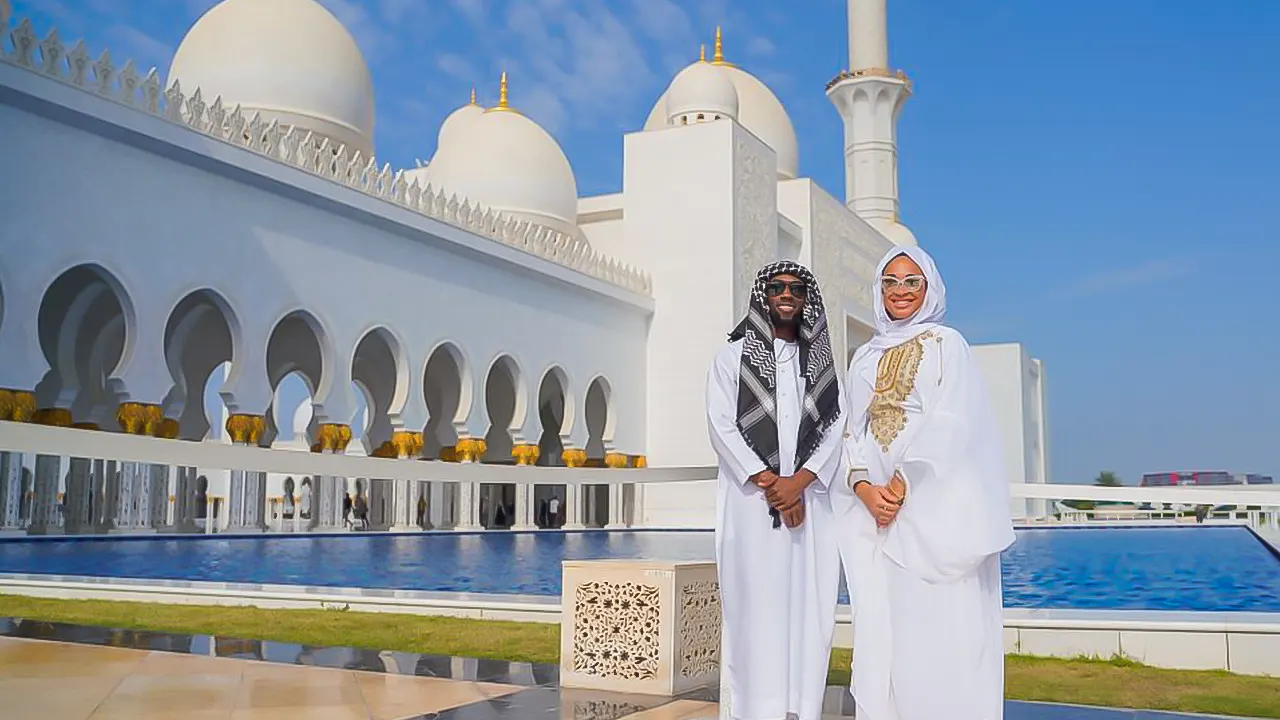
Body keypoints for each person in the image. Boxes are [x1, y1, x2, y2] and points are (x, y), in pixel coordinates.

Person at [833, 246, 1016, 720]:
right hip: (878, 517)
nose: (900, 291)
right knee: (889, 631)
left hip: (932, 511)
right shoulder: (863, 357)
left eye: (911, 281)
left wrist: (902, 483)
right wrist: (864, 489)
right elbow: (851, 430)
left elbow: (953, 421)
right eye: (890, 281)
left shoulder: (946, 344)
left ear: (929, 287)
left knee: (943, 630)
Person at [706, 261, 845, 720]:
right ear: (764, 295)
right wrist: (770, 484)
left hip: (808, 506)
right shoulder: (732, 359)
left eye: (797, 288)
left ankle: (803, 708)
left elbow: (835, 426)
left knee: (809, 606)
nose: (787, 294)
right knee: (754, 608)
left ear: (807, 300)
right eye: (778, 287)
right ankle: (752, 709)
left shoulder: (820, 364)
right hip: (751, 509)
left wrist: (798, 483)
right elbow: (721, 427)